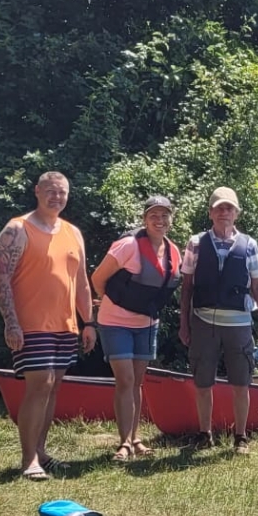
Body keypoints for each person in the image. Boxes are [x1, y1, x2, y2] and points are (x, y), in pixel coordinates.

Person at [0, 171, 97, 481]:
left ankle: (41, 451)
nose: (56, 197)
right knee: (39, 387)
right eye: (51, 191)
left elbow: (80, 282)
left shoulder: (72, 233)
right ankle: (28, 461)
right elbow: (1, 279)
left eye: (62, 193)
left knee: (52, 389)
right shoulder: (17, 229)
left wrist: (88, 321)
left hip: (65, 325)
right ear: (37, 191)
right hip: (31, 324)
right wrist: (11, 323)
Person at [177, 187, 258, 452]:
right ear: (210, 213)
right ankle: (204, 433)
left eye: (229, 208)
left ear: (237, 213)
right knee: (202, 382)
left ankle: (240, 437)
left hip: (239, 324)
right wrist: (183, 323)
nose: (224, 212)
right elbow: (187, 287)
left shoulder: (249, 244)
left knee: (241, 382)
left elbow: (257, 286)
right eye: (219, 208)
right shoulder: (196, 243)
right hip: (203, 321)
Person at [90, 195, 181, 462]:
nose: (159, 220)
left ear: (171, 220)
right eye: (153, 215)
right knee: (125, 380)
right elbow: (97, 277)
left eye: (164, 215)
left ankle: (136, 438)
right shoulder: (128, 245)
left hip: (147, 324)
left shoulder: (173, 251)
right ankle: (124, 443)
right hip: (115, 321)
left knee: (137, 383)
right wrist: (110, 300)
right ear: (144, 219)